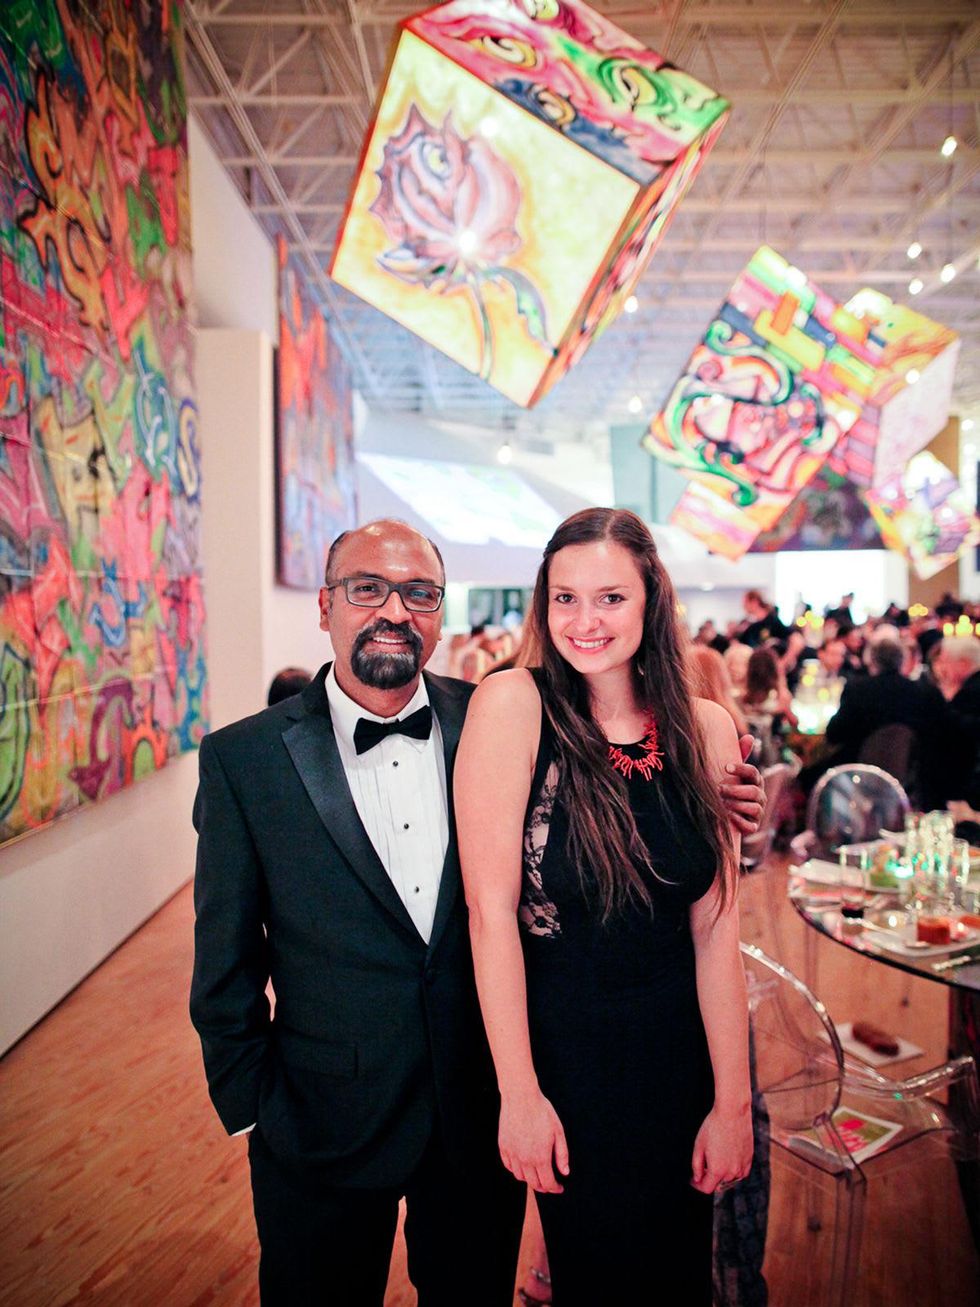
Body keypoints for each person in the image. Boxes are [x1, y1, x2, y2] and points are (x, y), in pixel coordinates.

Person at [190, 518, 765, 1306]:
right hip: (324, 1119)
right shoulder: (245, 759)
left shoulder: (495, 712)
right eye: (368, 588)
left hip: (474, 1107)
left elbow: (677, 870)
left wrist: (725, 793)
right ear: (324, 605)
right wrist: (255, 1109)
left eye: (419, 592)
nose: (395, 610)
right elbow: (224, 956)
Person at [454, 508, 753, 1306]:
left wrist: (732, 1100)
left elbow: (717, 930)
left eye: (611, 597)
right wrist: (519, 1093)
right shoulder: (514, 703)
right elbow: (490, 915)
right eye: (566, 598)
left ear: (652, 599)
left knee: (680, 1278)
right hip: (571, 1063)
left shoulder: (707, 728)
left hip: (681, 1058)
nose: (584, 621)